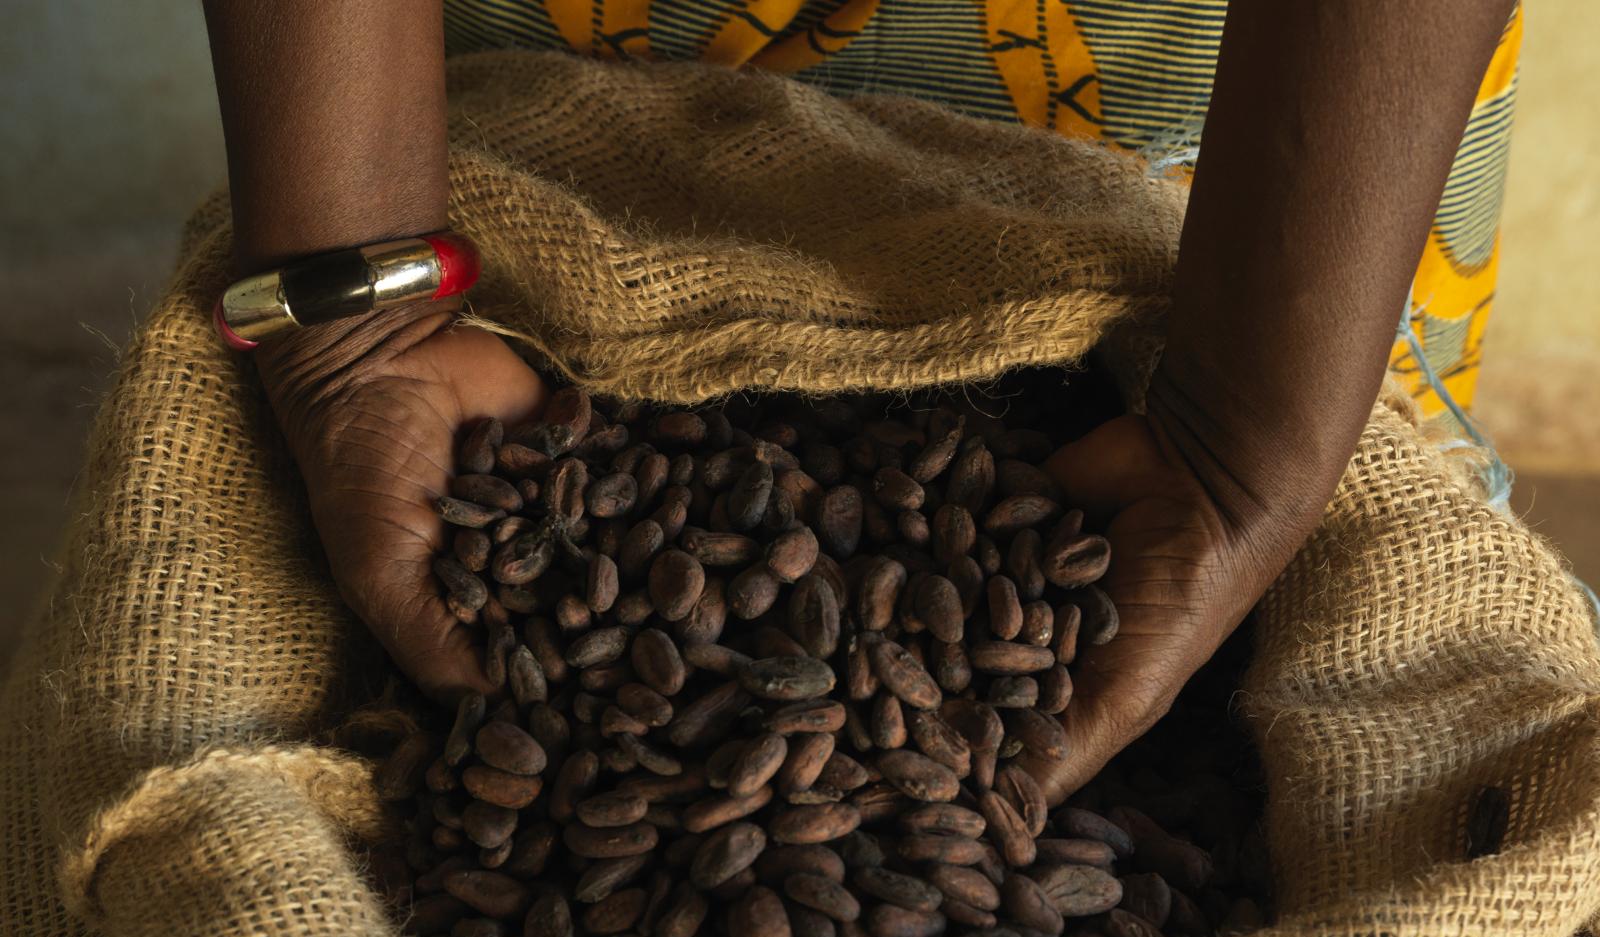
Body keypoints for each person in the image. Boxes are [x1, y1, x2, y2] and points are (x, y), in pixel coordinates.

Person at [201, 0, 1519, 798]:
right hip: (550, 81)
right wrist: (358, 319)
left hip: (1261, 102)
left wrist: (1247, 439)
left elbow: (1265, 433)